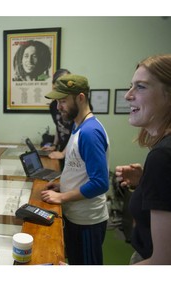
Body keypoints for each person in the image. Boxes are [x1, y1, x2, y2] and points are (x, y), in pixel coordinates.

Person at [41, 74, 110, 265]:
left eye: (63, 101)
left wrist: (62, 197)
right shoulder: (78, 126)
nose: (58, 107)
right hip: (75, 214)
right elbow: (78, 167)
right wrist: (61, 185)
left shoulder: (89, 132)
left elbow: (100, 183)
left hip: (87, 220)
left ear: (80, 97)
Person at [115, 54, 171, 265]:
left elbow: (163, 263)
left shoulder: (162, 157)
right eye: (131, 86)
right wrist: (145, 181)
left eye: (141, 87)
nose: (128, 96)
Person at [43, 69, 73, 164]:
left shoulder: (75, 106)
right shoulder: (53, 106)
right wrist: (54, 145)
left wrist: (64, 153)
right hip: (61, 150)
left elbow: (77, 134)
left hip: (73, 154)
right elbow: (59, 126)